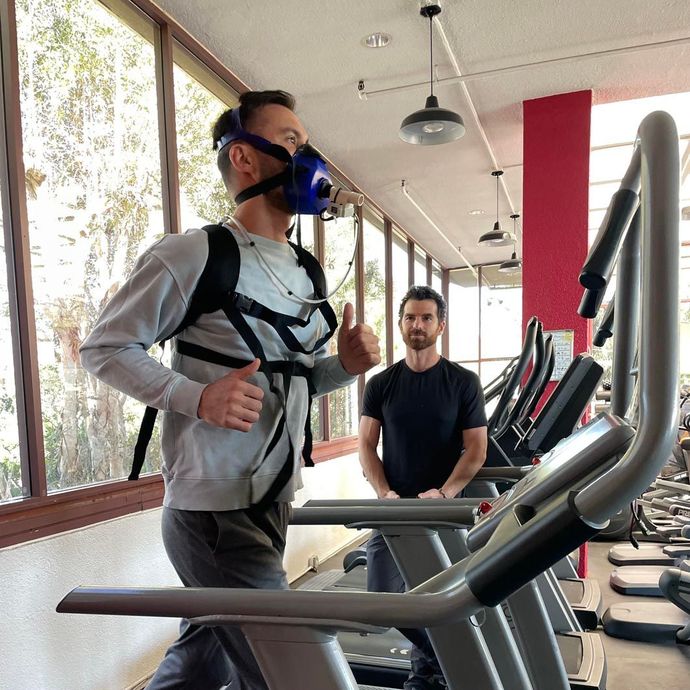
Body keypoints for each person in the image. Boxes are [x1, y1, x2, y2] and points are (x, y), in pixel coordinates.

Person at [80, 90, 380, 690]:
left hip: (272, 499)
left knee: (202, 660)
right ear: (244, 158)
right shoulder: (195, 254)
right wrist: (197, 396)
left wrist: (342, 367)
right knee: (293, 672)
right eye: (291, 141)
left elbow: (290, 382)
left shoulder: (305, 270)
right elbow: (104, 348)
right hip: (213, 514)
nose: (307, 154)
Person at [359, 285, 487, 690]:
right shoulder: (381, 384)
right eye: (411, 317)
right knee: (383, 602)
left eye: (426, 318)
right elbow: (365, 444)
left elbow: (476, 449)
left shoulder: (463, 382)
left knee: (440, 598)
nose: (418, 325)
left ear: (440, 325)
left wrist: (447, 492)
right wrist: (383, 492)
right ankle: (444, 660)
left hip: (444, 512)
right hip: (394, 511)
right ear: (400, 324)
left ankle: (427, 675)